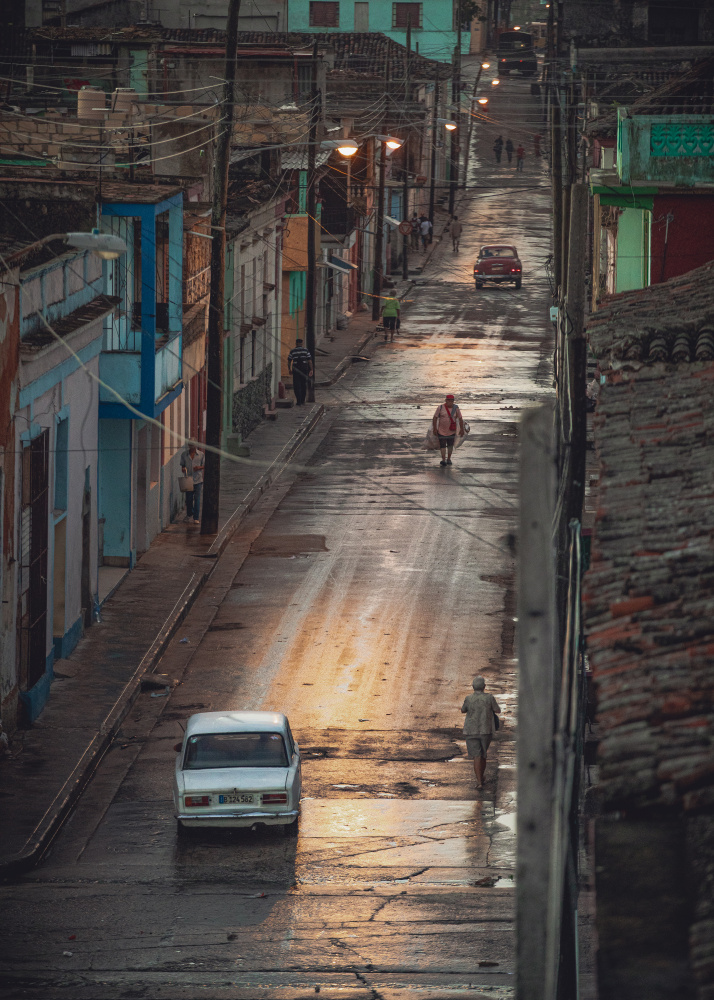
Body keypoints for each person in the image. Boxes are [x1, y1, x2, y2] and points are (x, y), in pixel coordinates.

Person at [461, 676, 501, 789]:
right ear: (484, 687)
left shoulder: (468, 698)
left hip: (471, 730)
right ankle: (481, 777)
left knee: (477, 756)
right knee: (483, 754)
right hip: (486, 730)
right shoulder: (489, 698)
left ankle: (479, 782)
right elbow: (497, 710)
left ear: (473, 687)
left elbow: (463, 710)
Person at [432, 393, 465, 466]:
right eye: (448, 401)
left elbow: (460, 419)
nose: (449, 402)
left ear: (453, 401)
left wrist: (462, 429)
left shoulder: (456, 408)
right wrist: (435, 428)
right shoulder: (440, 407)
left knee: (450, 445)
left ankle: (449, 459)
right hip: (441, 430)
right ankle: (443, 459)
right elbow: (435, 418)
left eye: (451, 401)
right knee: (442, 445)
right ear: (446, 400)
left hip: (452, 430)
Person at [180, 443, 205, 525]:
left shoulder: (201, 455)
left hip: (198, 480)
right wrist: (183, 469)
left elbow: (204, 465)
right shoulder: (184, 455)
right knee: (189, 500)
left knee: (197, 499)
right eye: (190, 445)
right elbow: (182, 465)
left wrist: (199, 467)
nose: (192, 447)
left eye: (193, 445)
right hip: (188, 480)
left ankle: (196, 517)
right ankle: (190, 513)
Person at [287, 338, 313, 406]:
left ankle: (298, 401)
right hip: (304, 369)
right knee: (303, 384)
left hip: (296, 369)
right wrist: (311, 369)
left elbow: (289, 361)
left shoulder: (292, 351)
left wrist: (289, 369)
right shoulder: (305, 350)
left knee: (296, 385)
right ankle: (303, 401)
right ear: (302, 343)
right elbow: (309, 361)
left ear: (296, 343)